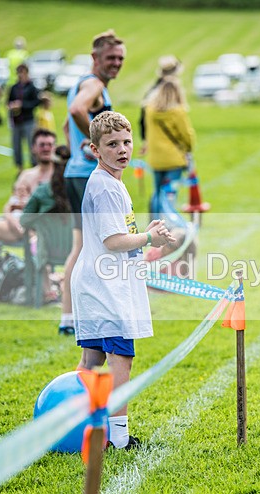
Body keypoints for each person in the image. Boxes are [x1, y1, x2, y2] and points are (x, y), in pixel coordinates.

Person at [72, 111, 175, 449]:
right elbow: (113, 240)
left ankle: (80, 425)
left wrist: (147, 235)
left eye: (126, 142)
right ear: (95, 150)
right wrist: (149, 238)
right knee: (121, 359)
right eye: (112, 144)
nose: (122, 150)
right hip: (104, 287)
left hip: (100, 282)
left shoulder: (111, 182)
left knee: (93, 360)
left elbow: (120, 236)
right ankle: (117, 439)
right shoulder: (105, 187)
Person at [61, 29, 125, 336]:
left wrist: (77, 150)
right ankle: (92, 313)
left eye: (120, 58)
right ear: (95, 57)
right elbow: (75, 111)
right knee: (103, 246)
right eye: (111, 57)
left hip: (75, 172)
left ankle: (69, 316)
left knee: (81, 247)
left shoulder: (82, 84)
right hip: (88, 176)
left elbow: (66, 124)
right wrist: (94, 145)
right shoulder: (94, 84)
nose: (116, 63)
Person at [0, 129, 56, 257]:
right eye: (42, 145)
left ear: (55, 148)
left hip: (45, 228)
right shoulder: (26, 175)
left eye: (49, 145)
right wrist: (14, 223)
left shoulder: (59, 177)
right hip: (19, 225)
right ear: (33, 148)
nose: (46, 148)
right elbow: (9, 205)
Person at [20, 144, 71, 303]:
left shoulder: (42, 192)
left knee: (35, 242)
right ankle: (62, 286)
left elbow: (24, 220)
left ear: (53, 165)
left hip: (48, 250)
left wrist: (40, 221)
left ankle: (47, 292)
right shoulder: (82, 191)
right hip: (77, 250)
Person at [144, 76, 195, 219]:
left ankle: (154, 223)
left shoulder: (150, 111)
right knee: (170, 193)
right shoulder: (178, 111)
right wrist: (188, 149)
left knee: (157, 192)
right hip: (173, 159)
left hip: (155, 158)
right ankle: (167, 222)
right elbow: (187, 135)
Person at [139, 55, 182, 155]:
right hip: (170, 144)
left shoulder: (153, 90)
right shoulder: (169, 92)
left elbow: (143, 118)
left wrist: (145, 139)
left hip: (155, 142)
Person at [8, 63, 40, 173]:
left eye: (22, 72)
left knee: (31, 143)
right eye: (19, 73)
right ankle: (19, 167)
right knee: (16, 145)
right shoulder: (14, 88)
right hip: (16, 120)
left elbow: (36, 102)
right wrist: (12, 106)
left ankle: (34, 166)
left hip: (28, 120)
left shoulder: (32, 87)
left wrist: (22, 105)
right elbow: (9, 101)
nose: (20, 75)